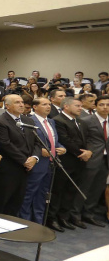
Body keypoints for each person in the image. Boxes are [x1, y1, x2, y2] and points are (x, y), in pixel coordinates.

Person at [0, 94, 39, 217]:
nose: (21, 105)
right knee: (1, 201)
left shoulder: (28, 120)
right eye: (17, 102)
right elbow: (6, 144)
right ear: (8, 105)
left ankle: (9, 225)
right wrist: (24, 160)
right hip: (8, 168)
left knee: (17, 201)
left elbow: (37, 142)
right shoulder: (0, 121)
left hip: (25, 168)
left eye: (22, 102)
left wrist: (34, 158)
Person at [21, 97, 66, 226]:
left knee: (43, 194)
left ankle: (38, 222)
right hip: (37, 163)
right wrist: (39, 151)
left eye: (49, 104)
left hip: (50, 164)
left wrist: (62, 148)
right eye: (44, 104)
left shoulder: (51, 121)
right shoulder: (29, 120)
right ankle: (24, 221)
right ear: (35, 107)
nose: (48, 107)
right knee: (29, 193)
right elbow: (26, 142)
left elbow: (54, 141)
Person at [51, 95, 91, 230]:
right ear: (66, 106)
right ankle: (52, 218)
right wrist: (82, 153)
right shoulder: (58, 120)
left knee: (70, 192)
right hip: (65, 162)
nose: (81, 108)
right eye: (77, 106)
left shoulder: (80, 122)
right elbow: (66, 140)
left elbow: (88, 140)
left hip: (79, 162)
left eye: (81, 106)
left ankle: (64, 217)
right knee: (58, 191)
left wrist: (89, 152)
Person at [80, 95, 108, 226]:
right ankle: (75, 214)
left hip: (106, 159)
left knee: (98, 188)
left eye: (108, 105)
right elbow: (82, 140)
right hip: (91, 158)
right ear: (96, 106)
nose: (105, 107)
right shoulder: (86, 120)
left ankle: (88, 213)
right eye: (102, 104)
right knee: (85, 187)